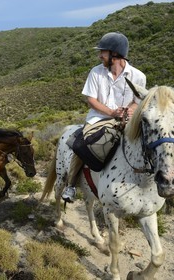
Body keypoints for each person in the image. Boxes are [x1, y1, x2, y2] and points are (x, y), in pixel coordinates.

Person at [62, 32, 146, 203]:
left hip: (126, 121)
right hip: (98, 118)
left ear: (115, 54)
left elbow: (138, 102)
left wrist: (131, 109)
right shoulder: (96, 72)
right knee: (81, 144)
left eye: (103, 52)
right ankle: (70, 185)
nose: (100, 55)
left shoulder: (138, 76)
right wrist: (112, 113)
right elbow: (91, 100)